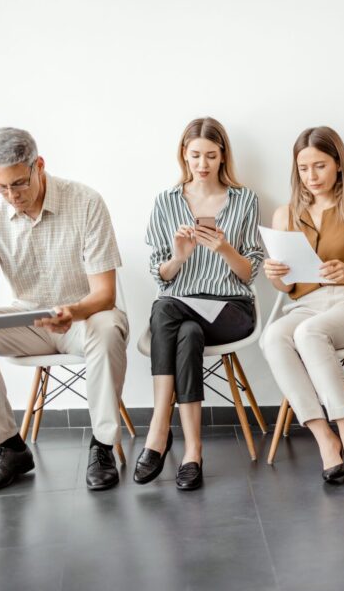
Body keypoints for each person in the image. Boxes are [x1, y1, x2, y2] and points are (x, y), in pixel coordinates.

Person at [0, 127, 127, 493]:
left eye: (18, 184)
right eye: (1, 188)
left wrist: (71, 313)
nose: (12, 197)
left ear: (38, 166)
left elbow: (105, 295)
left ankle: (103, 446)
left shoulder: (86, 202)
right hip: (29, 322)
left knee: (108, 327)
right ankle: (10, 448)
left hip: (84, 319)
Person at [136, 117, 263, 490]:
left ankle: (159, 428)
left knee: (164, 308)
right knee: (187, 332)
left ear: (223, 156)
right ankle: (193, 450)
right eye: (195, 156)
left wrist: (223, 247)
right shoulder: (166, 201)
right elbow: (162, 275)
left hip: (231, 309)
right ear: (184, 156)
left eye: (211, 155)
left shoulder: (245, 200)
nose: (203, 164)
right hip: (183, 310)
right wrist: (178, 256)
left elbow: (248, 274)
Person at [261, 126, 344, 485]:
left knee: (310, 333)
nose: (311, 177)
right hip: (305, 304)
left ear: (339, 165)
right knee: (273, 338)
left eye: (320, 166)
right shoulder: (285, 215)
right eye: (303, 168)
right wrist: (274, 275)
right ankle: (324, 438)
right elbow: (286, 286)